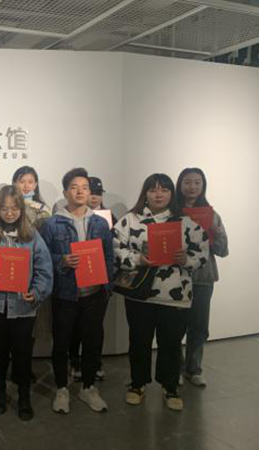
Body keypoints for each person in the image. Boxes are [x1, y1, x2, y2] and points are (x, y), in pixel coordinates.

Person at [113, 173, 208, 411]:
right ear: (145, 193)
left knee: (171, 343)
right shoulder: (130, 220)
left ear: (171, 194)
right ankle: (137, 384)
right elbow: (114, 248)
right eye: (153, 190)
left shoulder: (185, 222)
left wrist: (187, 259)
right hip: (139, 294)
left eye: (164, 190)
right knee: (139, 341)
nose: (158, 195)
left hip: (175, 295)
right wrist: (138, 258)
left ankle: (170, 386)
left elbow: (203, 252)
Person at [40, 168, 114, 414]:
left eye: (84, 187)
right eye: (74, 187)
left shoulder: (100, 223)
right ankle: (62, 388)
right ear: (65, 192)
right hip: (65, 294)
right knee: (61, 343)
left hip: (94, 294)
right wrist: (62, 260)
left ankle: (88, 387)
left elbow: (109, 257)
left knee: (92, 343)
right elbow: (42, 258)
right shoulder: (52, 224)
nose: (80, 191)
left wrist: (107, 287)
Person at [0, 185, 53, 421]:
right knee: (0, 351)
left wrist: (37, 292)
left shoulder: (32, 236)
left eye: (14, 208)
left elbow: (44, 269)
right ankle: (0, 394)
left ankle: (24, 397)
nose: (9, 213)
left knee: (22, 353)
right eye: (4, 208)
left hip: (23, 306)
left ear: (21, 209)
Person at [177, 168, 229, 387]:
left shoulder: (212, 215)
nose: (192, 187)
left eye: (197, 182)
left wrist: (217, 234)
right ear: (180, 185)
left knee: (199, 327)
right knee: (175, 327)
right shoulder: (172, 213)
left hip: (203, 277)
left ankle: (194, 369)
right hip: (175, 277)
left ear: (203, 185)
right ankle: (176, 369)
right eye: (187, 182)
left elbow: (222, 251)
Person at [69, 176, 115, 382]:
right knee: (73, 329)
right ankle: (74, 363)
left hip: (97, 284)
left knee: (95, 329)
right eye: (91, 192)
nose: (94, 197)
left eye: (97, 193)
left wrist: (108, 284)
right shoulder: (63, 219)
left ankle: (95, 363)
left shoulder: (106, 219)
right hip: (73, 284)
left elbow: (110, 252)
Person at [12, 166, 52, 382]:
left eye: (30, 181)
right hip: (11, 271)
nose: (26, 185)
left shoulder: (44, 211)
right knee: (11, 324)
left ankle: (25, 367)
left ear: (36, 185)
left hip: (34, 273)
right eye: (21, 181)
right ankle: (15, 367)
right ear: (14, 183)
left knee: (32, 326)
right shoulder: (7, 208)